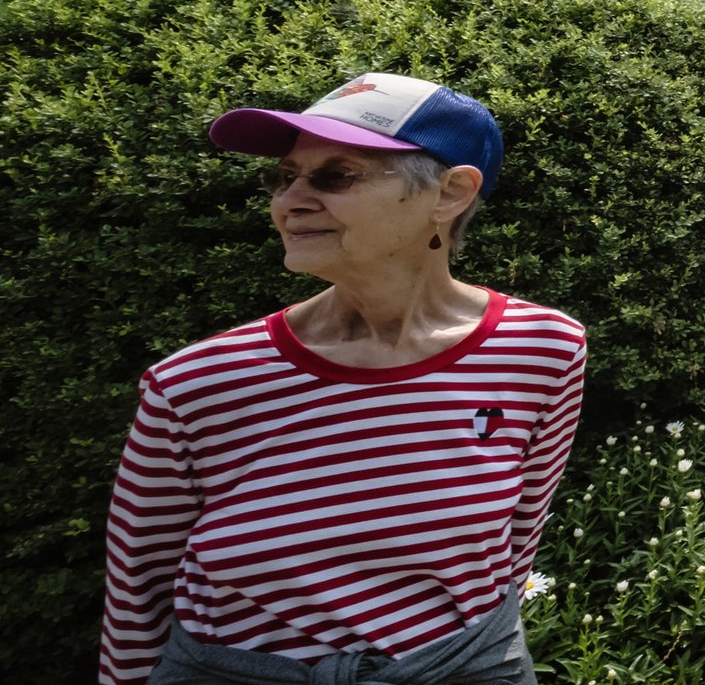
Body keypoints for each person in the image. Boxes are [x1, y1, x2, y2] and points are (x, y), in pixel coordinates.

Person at [98, 73, 587, 685]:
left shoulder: (542, 349)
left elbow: (512, 547)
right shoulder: (199, 383)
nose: (290, 200)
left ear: (450, 192)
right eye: (284, 177)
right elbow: (137, 590)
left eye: (334, 176)